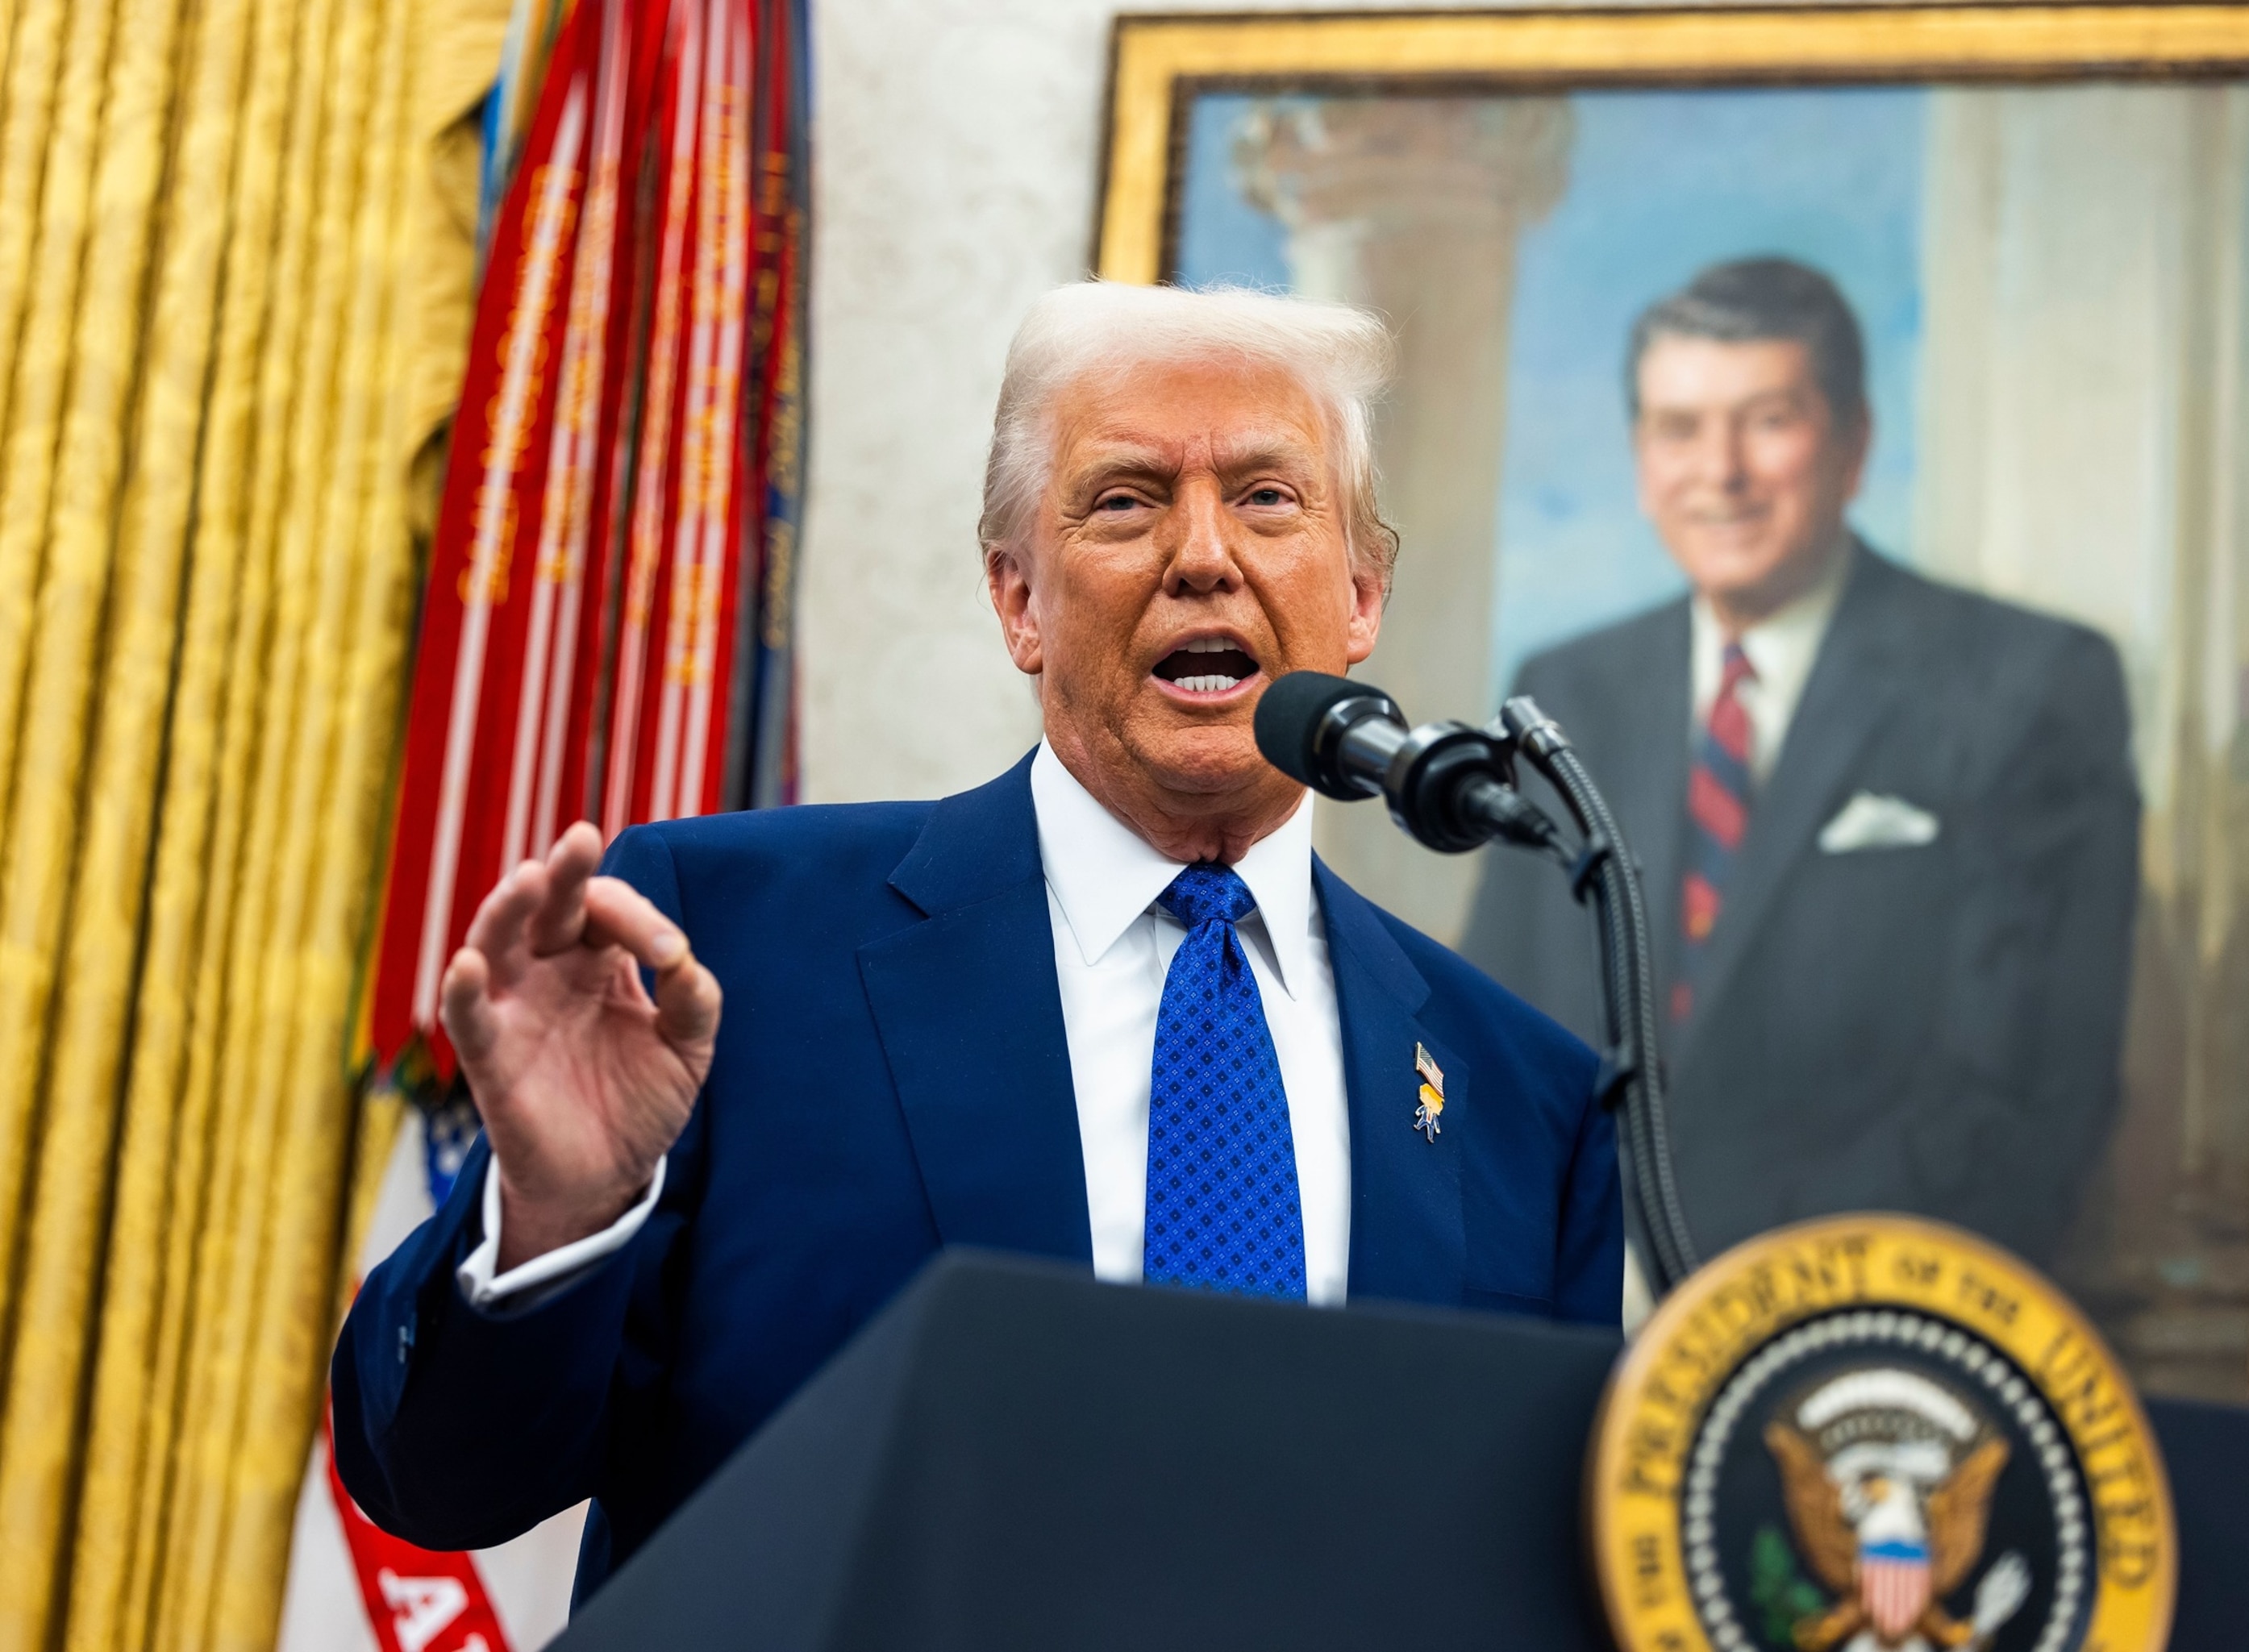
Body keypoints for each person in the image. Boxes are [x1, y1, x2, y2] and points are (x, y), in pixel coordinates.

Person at [331, 281, 1619, 1595]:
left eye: (1266, 497)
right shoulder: (723, 947)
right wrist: (554, 1213)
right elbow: (442, 1480)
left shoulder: (1526, 1098)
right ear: (1018, 599)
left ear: (1360, 597)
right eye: (1122, 500)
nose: (1202, 554)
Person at [1462, 256, 2138, 1267]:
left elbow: (2024, 1100)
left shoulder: (2029, 686)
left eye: (1768, 420)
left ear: (1853, 445)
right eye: (1680, 429)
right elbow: (1493, 1027)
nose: (1720, 471)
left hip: (1862, 1314)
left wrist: (1736, 1296)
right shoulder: (1566, 689)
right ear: (1642, 459)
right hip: (1572, 1297)